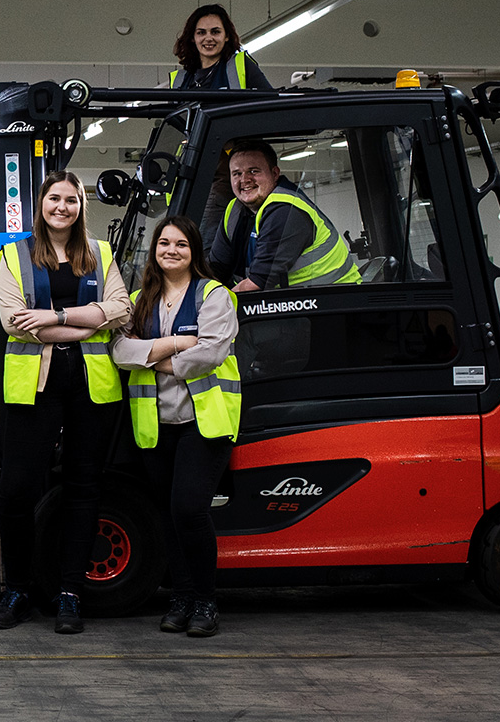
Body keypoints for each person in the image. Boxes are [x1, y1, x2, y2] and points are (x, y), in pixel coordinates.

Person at [0, 170, 131, 634]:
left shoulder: (100, 253)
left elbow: (122, 309)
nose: (62, 207)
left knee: (83, 487)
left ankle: (71, 592)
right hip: (34, 385)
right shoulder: (13, 255)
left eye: (71, 200)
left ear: (81, 207)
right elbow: (14, 322)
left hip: (91, 385)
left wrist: (57, 316)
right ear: (41, 203)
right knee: (16, 492)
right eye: (54, 199)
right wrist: (89, 325)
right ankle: (19, 590)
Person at [111, 216, 240, 637]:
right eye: (164, 243)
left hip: (204, 422)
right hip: (157, 424)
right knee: (168, 515)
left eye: (181, 244)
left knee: (189, 508)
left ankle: (206, 601)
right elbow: (119, 350)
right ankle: (181, 597)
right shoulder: (140, 298)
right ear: (154, 251)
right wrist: (179, 344)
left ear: (194, 251)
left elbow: (213, 351)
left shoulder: (213, 295)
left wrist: (156, 359)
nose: (171, 250)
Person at [208, 138, 359, 291]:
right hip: (292, 303)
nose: (244, 179)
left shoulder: (286, 210)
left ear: (274, 173)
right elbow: (216, 268)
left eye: (253, 171)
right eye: (237, 174)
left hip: (332, 303)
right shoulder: (234, 209)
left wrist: (214, 307)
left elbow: (258, 283)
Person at [170, 4, 274, 91]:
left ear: (227, 36)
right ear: (192, 38)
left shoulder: (241, 66)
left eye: (215, 32)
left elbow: (271, 105)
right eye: (201, 33)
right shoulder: (179, 80)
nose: (208, 38)